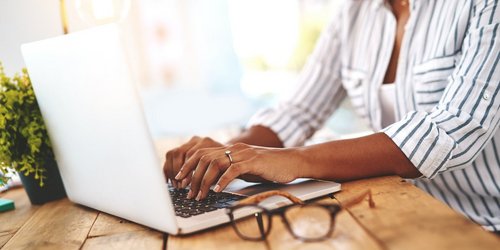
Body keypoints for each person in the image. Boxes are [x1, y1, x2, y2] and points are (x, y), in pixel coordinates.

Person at [164, 0, 500, 232]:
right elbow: (296, 111)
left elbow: (452, 131)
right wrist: (226, 156)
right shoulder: (355, 13)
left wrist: (295, 161)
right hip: (407, 212)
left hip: (484, 224)